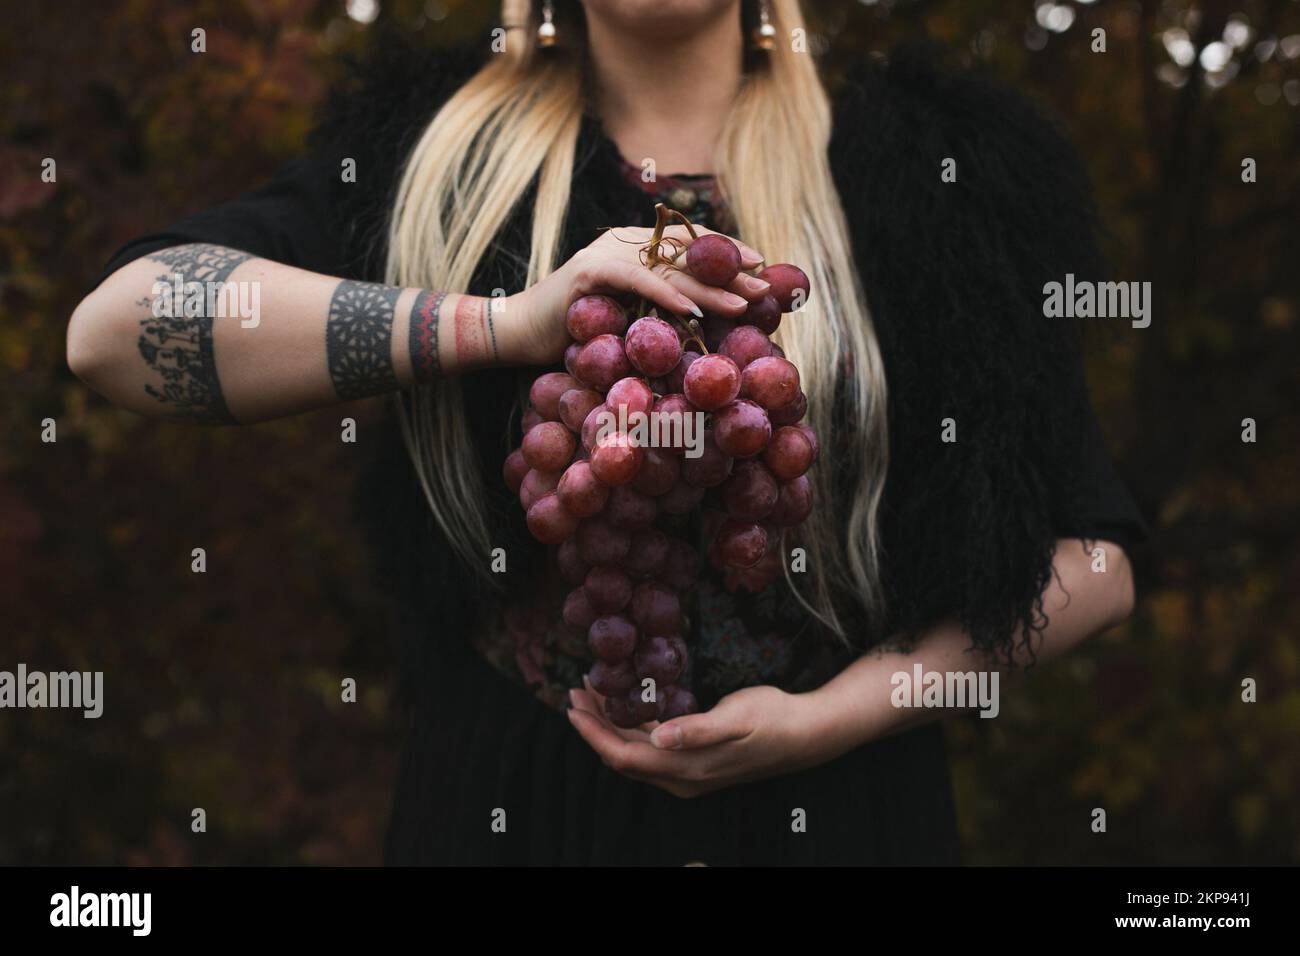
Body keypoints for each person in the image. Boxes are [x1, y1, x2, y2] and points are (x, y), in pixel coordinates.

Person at [66, 0, 1145, 865]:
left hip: (845, 806)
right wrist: (506, 322)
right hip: (505, 803)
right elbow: (117, 330)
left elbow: (1092, 559)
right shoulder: (432, 157)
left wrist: (833, 718)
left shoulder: (932, 167)